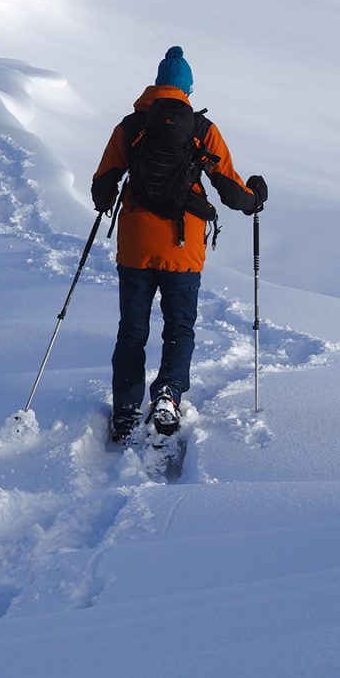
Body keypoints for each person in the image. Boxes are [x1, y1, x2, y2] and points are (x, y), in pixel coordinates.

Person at [91, 45, 268, 442]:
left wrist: (108, 198)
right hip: (182, 248)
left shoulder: (130, 126)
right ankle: (168, 395)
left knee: (132, 331)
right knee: (179, 328)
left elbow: (102, 187)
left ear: (156, 85)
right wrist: (256, 198)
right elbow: (230, 191)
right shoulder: (203, 131)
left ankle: (125, 409)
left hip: (135, 246)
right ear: (188, 88)